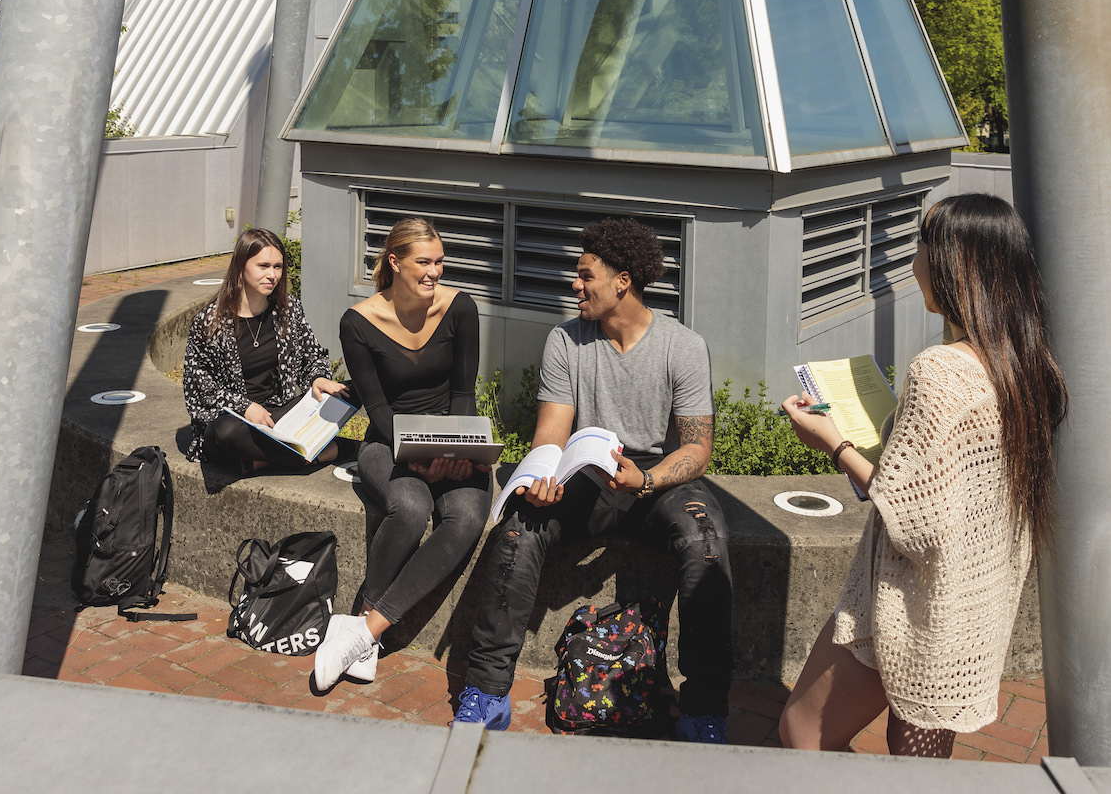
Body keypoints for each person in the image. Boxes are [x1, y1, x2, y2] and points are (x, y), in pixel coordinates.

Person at [775, 193, 1069, 758]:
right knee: (917, 763)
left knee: (802, 733)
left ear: (956, 263)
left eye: (922, 245)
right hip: (970, 606)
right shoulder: (1027, 364)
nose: (914, 262)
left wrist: (830, 442)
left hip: (902, 607)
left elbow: (914, 518)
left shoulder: (941, 371)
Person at [454, 217, 732, 744]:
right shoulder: (565, 341)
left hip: (654, 480)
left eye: (586, 276)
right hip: (587, 474)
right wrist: (542, 477)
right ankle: (487, 694)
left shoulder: (683, 346)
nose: (574, 285)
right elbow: (552, 434)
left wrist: (647, 479)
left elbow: (697, 449)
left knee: (708, 540)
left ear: (623, 281)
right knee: (517, 528)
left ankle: (704, 709)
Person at [313, 218, 492, 691]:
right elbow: (376, 406)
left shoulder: (460, 308)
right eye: (424, 262)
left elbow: (463, 393)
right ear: (394, 262)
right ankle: (366, 631)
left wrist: (455, 449)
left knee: (469, 516)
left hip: (453, 437)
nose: (434, 272)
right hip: (388, 440)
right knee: (410, 507)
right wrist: (414, 455)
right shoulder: (359, 322)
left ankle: (362, 630)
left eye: (439, 262)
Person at [181, 226, 346, 474]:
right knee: (223, 433)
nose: (272, 275)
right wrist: (244, 407)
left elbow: (311, 356)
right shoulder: (210, 322)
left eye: (278, 267)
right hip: (238, 421)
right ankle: (327, 451)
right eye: (263, 266)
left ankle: (259, 461)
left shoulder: (287, 308)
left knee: (348, 391)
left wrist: (318, 378)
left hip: (281, 413)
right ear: (240, 266)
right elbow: (199, 390)